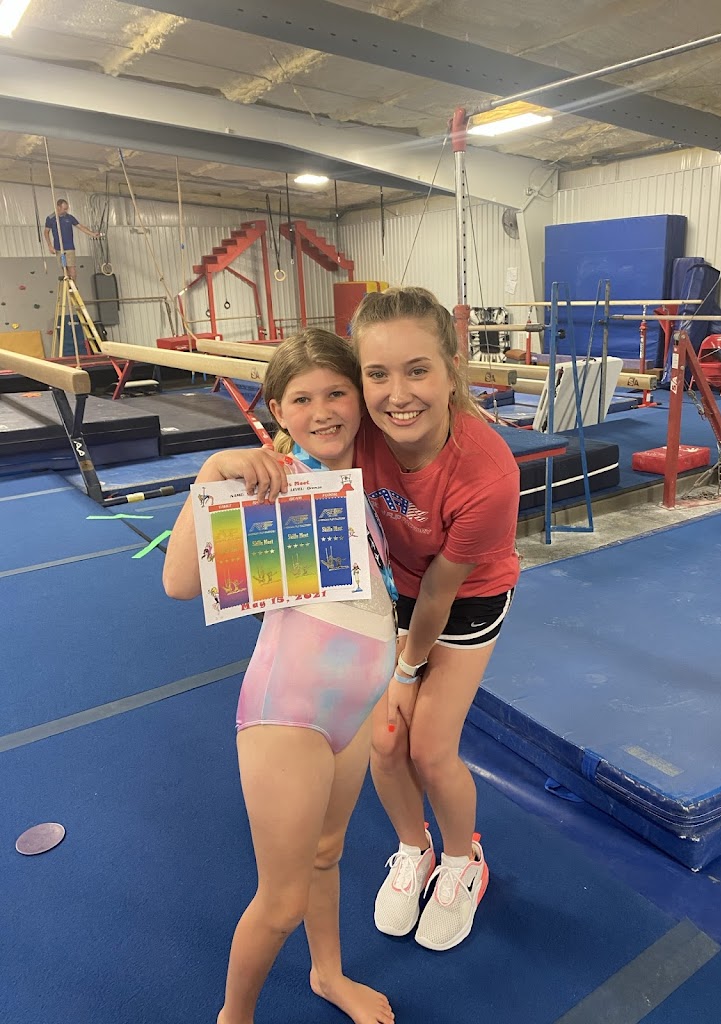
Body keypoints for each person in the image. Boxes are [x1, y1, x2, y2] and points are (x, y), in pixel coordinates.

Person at [238, 288, 521, 953]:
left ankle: (463, 860)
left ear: (452, 368)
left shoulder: (487, 473)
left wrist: (406, 670)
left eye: (418, 370)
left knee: (429, 748)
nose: (399, 395)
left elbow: (441, 591)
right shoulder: (362, 427)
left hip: (464, 599)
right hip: (393, 590)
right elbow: (304, 435)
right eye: (377, 375)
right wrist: (237, 464)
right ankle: (413, 847)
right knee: (387, 741)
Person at [163, 329, 397, 1024]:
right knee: (282, 900)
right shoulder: (272, 479)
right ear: (277, 410)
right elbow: (179, 582)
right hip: (289, 711)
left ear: (360, 396)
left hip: (357, 702)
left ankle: (328, 975)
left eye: (337, 392)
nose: (322, 411)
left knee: (327, 855)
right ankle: (233, 1016)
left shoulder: (375, 474)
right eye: (302, 399)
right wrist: (213, 472)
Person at [44, 199, 101, 282]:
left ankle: (73, 285)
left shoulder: (69, 217)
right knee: (64, 268)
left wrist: (92, 234)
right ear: (58, 207)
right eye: (64, 209)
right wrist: (50, 246)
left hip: (69, 247)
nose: (66, 211)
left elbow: (80, 227)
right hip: (58, 248)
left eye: (67, 209)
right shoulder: (50, 218)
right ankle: (68, 284)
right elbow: (46, 232)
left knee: (72, 268)